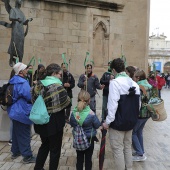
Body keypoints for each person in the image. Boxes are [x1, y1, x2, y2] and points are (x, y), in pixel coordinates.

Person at [102, 58, 140, 170]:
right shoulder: (134, 84)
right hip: (130, 122)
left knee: (118, 149)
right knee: (127, 147)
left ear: (114, 70)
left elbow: (112, 105)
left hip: (118, 123)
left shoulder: (115, 83)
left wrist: (107, 122)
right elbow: (138, 105)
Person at [31, 63, 71, 170]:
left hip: (41, 121)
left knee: (44, 145)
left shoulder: (38, 84)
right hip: (54, 123)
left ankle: (38, 167)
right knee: (55, 150)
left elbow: (33, 100)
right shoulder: (58, 86)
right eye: (59, 74)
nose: (60, 76)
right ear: (53, 73)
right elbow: (68, 103)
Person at [7, 62, 36, 163]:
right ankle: (27, 156)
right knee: (24, 134)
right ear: (21, 71)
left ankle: (15, 152)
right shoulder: (22, 82)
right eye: (25, 69)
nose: (27, 70)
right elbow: (29, 96)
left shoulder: (13, 80)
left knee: (15, 133)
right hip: (21, 112)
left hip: (13, 111)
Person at [70, 90, 101, 170]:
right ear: (89, 101)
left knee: (79, 159)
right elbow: (97, 125)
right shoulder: (91, 113)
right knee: (88, 159)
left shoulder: (74, 113)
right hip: (89, 139)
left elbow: (72, 124)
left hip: (78, 140)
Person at [0, 0, 33, 66]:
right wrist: (16, 19)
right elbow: (10, 18)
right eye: (19, 2)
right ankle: (11, 59)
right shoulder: (13, 10)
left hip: (21, 30)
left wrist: (28, 20)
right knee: (14, 43)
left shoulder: (21, 13)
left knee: (21, 46)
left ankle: (20, 62)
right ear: (17, 3)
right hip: (15, 29)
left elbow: (24, 22)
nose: (20, 4)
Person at [132, 70, 152, 161]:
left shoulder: (140, 86)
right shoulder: (149, 85)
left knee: (133, 133)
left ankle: (140, 154)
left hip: (140, 113)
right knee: (139, 132)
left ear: (138, 78)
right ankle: (141, 151)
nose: (133, 78)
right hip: (147, 113)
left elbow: (138, 101)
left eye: (135, 77)